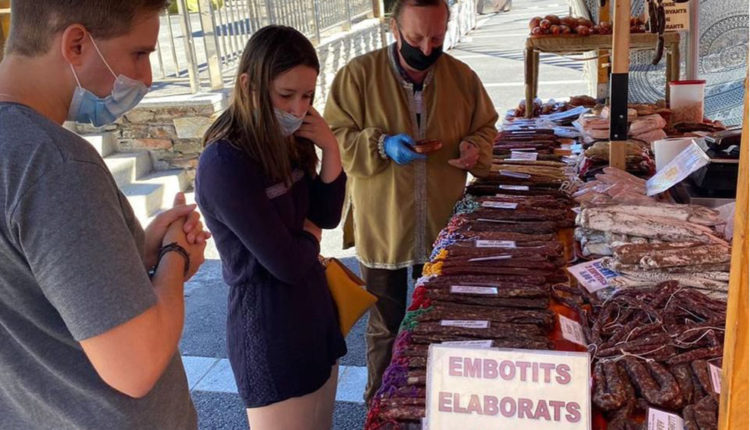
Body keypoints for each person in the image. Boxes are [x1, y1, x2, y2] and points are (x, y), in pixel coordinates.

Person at [0, 1, 210, 428]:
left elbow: (27, 288)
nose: (146, 78)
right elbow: (136, 364)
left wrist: (135, 252)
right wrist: (175, 255)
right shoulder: (52, 163)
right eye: (139, 53)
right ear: (76, 44)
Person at [324, 0, 499, 403]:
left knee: (440, 318)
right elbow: (334, 137)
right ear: (394, 29)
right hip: (382, 222)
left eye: (436, 37)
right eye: (416, 37)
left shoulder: (462, 78)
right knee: (384, 325)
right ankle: (380, 404)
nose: (426, 47)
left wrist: (474, 148)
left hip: (441, 221)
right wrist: (381, 144)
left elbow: (486, 126)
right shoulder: (358, 76)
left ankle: (434, 403)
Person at [195, 25, 347, 430]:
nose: (298, 109)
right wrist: (310, 236)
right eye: (286, 95)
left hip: (315, 315)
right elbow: (287, 264)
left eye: (308, 96)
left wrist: (331, 148)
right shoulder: (225, 162)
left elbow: (327, 216)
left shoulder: (293, 137)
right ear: (249, 85)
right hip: (270, 330)